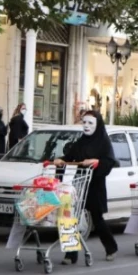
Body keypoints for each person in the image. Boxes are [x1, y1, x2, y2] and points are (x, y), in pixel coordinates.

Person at [54, 111, 119, 263]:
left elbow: (110, 161)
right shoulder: (81, 142)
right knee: (71, 216)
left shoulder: (104, 142)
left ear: (98, 125)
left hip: (95, 185)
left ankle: (111, 247)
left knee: (97, 218)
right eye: (84, 122)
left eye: (90, 123)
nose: (86, 126)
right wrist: (60, 161)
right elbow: (70, 156)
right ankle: (71, 254)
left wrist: (96, 161)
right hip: (80, 183)